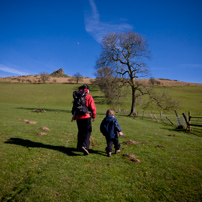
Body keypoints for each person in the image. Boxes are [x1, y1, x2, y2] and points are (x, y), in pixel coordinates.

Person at [74, 84, 96, 155]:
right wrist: (94, 116)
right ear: (87, 89)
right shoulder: (88, 96)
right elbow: (93, 107)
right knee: (87, 132)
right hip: (86, 116)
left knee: (80, 132)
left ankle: (79, 147)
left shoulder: (77, 95)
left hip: (78, 117)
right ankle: (85, 146)